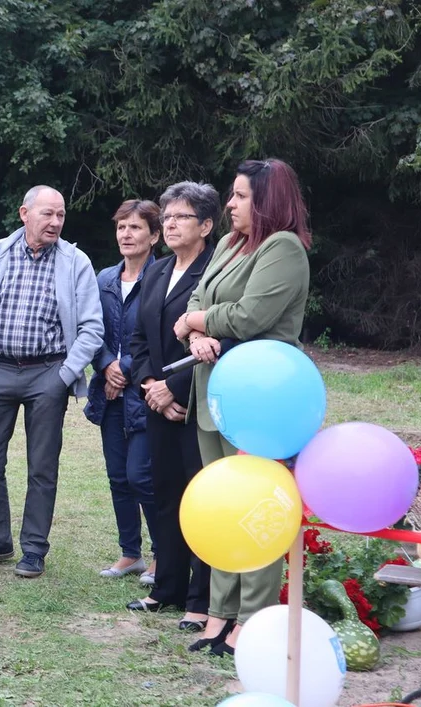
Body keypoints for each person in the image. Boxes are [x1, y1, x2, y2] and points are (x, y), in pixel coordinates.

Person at [175, 159, 312, 656]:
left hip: (259, 396)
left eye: (239, 196)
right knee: (223, 505)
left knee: (256, 507)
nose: (229, 204)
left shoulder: (284, 248)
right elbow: (197, 296)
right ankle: (219, 613)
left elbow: (252, 316)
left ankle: (251, 620)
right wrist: (196, 335)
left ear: (267, 201)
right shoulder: (231, 244)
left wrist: (196, 321)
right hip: (214, 389)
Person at [0, 185, 103, 578]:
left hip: (48, 374)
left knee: (42, 467)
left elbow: (92, 327)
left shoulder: (76, 262)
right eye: (47, 214)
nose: (55, 222)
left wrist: (65, 376)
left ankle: (34, 549)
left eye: (60, 215)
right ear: (25, 214)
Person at [124, 182, 219, 635]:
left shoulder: (214, 272)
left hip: (195, 403)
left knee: (201, 500)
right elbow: (139, 335)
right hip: (157, 401)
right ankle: (166, 588)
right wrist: (150, 385)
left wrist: (175, 389)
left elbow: (218, 342)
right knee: (164, 494)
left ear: (206, 225)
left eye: (182, 216)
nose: (171, 222)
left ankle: (200, 600)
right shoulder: (158, 270)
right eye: (168, 214)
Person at [83, 200, 160, 582]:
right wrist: (104, 365)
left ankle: (162, 554)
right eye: (121, 228)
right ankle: (131, 554)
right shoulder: (104, 279)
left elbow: (161, 339)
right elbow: (90, 330)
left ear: (154, 235)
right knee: (117, 476)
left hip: (145, 392)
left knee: (141, 476)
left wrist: (125, 368)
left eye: (135, 228)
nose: (126, 235)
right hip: (109, 393)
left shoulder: (162, 278)